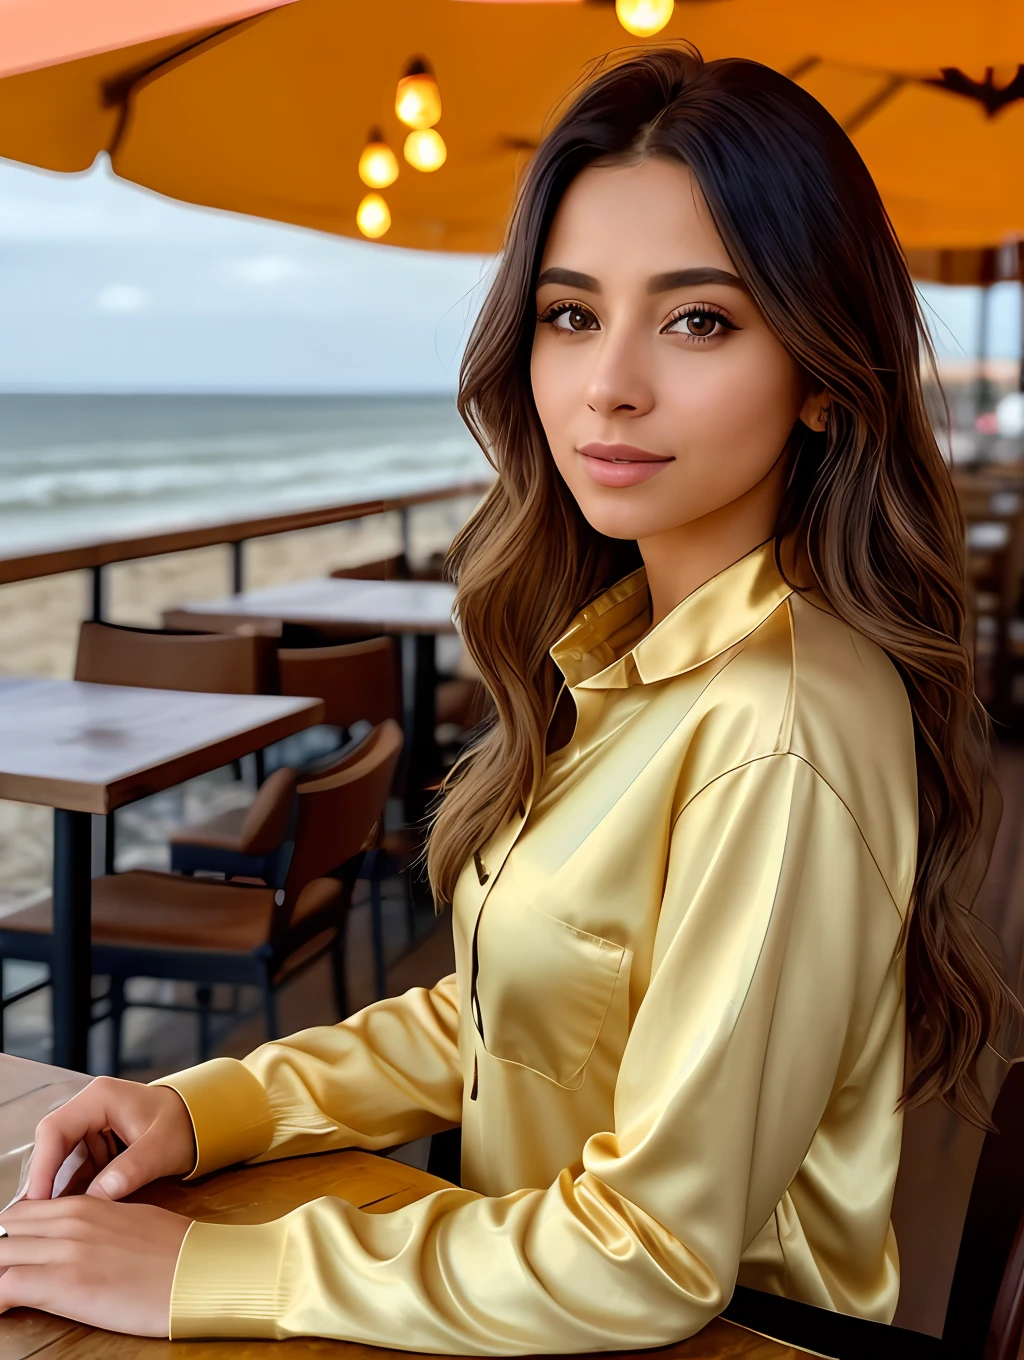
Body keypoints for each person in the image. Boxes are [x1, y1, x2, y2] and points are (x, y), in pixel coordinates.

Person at [0, 44, 1009, 1352]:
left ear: (822, 371)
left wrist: (201, 1272)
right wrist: (210, 1108)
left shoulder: (783, 720)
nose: (609, 385)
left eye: (699, 318)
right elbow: (509, 1016)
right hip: (512, 1293)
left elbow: (650, 1256)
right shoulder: (631, 651)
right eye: (572, 313)